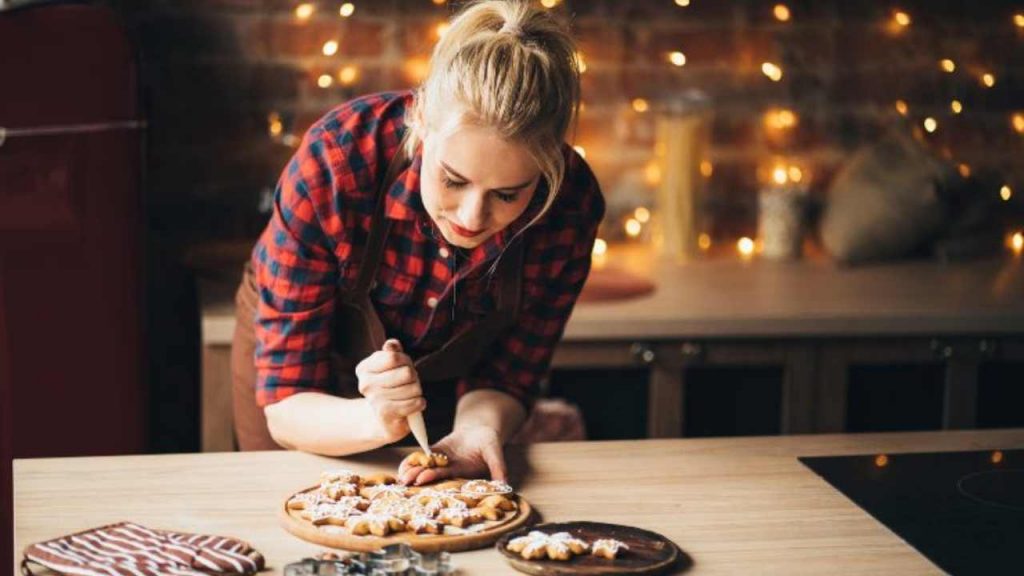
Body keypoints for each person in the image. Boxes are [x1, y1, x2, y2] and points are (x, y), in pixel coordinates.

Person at [230, 0, 604, 487]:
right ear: (422, 119)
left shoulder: (570, 207)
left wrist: (475, 431)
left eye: (508, 194)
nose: (472, 218)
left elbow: (509, 373)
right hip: (299, 398)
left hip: (441, 397)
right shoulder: (336, 165)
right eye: (453, 180)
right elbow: (286, 401)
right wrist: (377, 419)